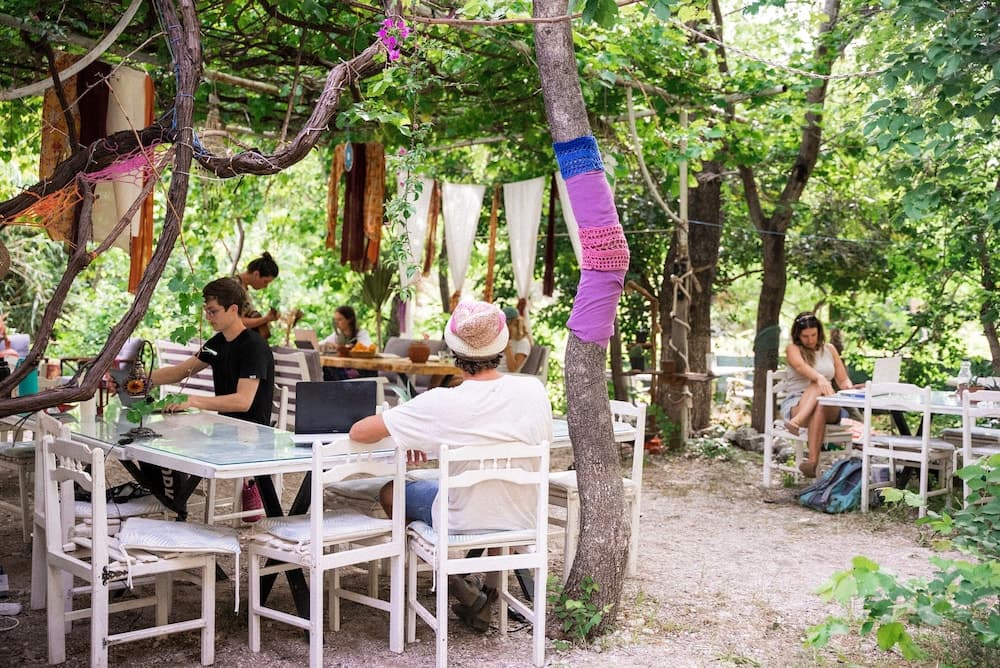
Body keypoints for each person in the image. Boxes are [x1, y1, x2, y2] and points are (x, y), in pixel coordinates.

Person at [349, 300, 552, 633]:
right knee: (495, 491)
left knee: (392, 492)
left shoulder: (442, 401)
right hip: (522, 515)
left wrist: (413, 437)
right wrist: (418, 438)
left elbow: (361, 432)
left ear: (454, 353)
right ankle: (488, 592)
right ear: (500, 346)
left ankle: (457, 587)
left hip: (461, 519)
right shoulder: (533, 390)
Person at [151, 277, 275, 425]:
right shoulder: (216, 344)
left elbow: (243, 401)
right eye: (206, 312)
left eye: (213, 312)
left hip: (253, 436)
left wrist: (192, 400)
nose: (208, 318)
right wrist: (138, 380)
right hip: (224, 429)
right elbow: (181, 371)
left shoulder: (254, 346)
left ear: (233, 309)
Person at [780, 311, 857, 477]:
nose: (810, 340)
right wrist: (820, 378)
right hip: (797, 404)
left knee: (822, 398)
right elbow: (801, 367)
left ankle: (796, 423)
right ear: (798, 335)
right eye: (805, 336)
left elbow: (843, 380)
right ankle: (813, 462)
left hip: (828, 405)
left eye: (813, 335)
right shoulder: (792, 349)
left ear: (819, 332)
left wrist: (852, 389)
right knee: (817, 388)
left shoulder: (829, 349)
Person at [320, 305, 375, 381]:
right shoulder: (338, 335)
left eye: (340, 320)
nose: (337, 323)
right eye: (335, 320)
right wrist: (328, 345)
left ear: (349, 320)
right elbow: (322, 343)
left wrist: (346, 348)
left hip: (360, 371)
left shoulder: (361, 334)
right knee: (327, 369)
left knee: (330, 370)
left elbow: (366, 348)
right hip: (345, 369)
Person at [235, 251, 280, 336]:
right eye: (265, 282)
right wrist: (265, 319)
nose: (265, 286)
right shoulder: (233, 287)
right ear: (256, 274)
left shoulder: (244, 289)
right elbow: (235, 322)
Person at [498, 306, 531, 373]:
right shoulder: (507, 338)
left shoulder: (523, 343)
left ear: (514, 323)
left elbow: (513, 370)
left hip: (506, 377)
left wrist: (507, 349)